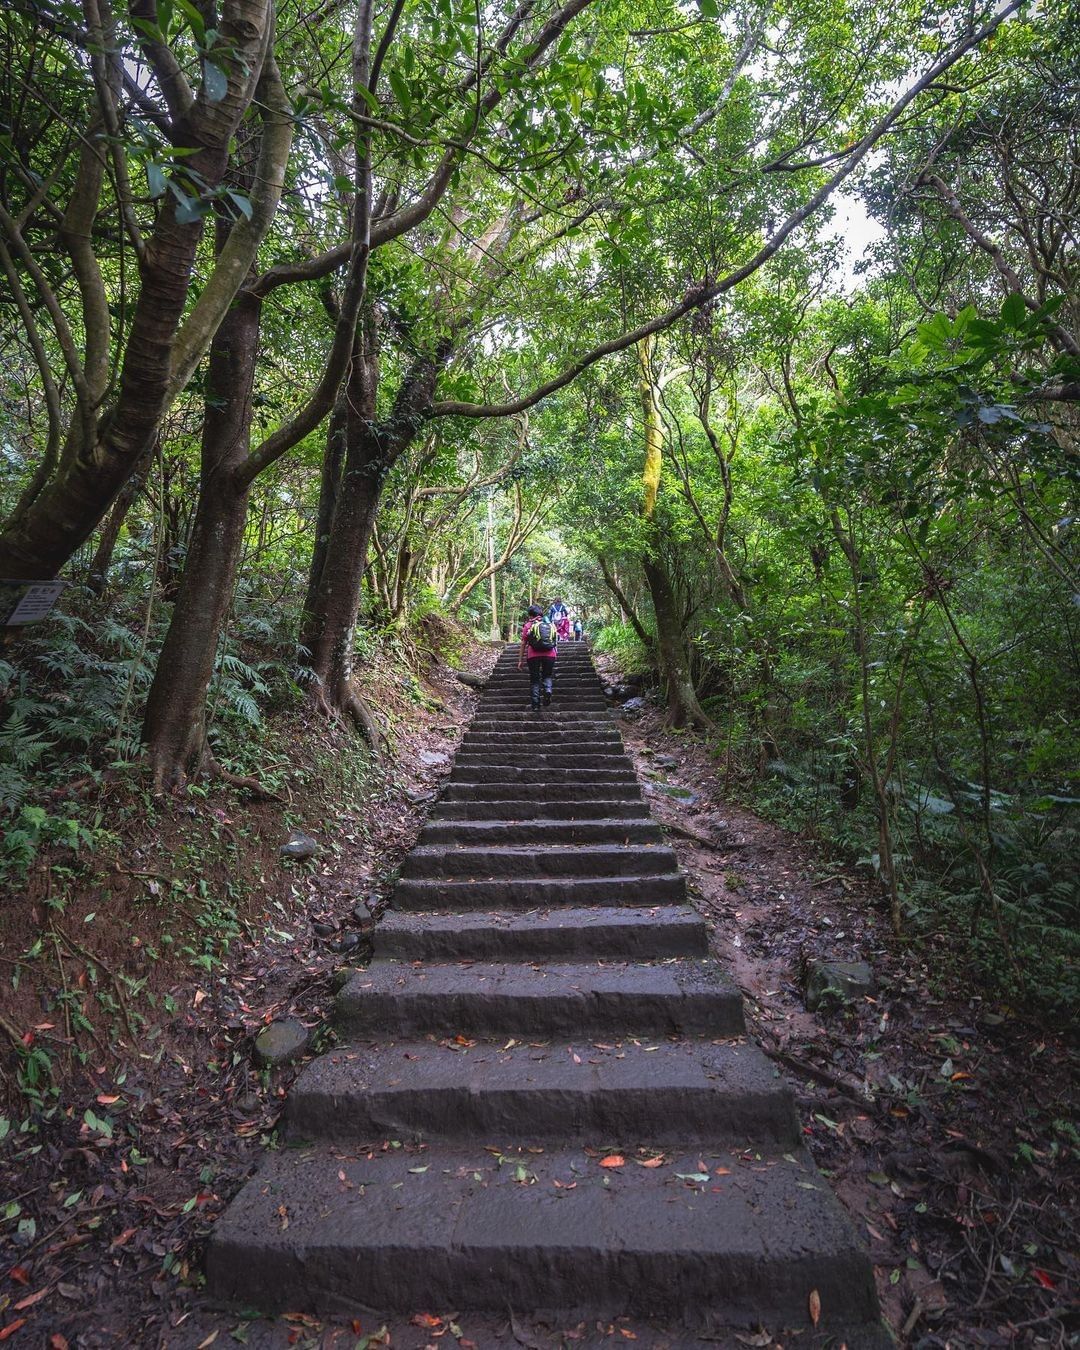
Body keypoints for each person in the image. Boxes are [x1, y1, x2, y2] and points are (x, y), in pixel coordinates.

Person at [518, 603, 557, 711]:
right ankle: (548, 690)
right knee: (547, 676)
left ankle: (535, 705)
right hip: (550, 654)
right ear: (540, 613)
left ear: (530, 615)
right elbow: (554, 640)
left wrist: (520, 660)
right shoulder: (550, 624)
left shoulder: (528, 625)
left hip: (533, 655)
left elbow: (523, 644)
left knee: (534, 680)